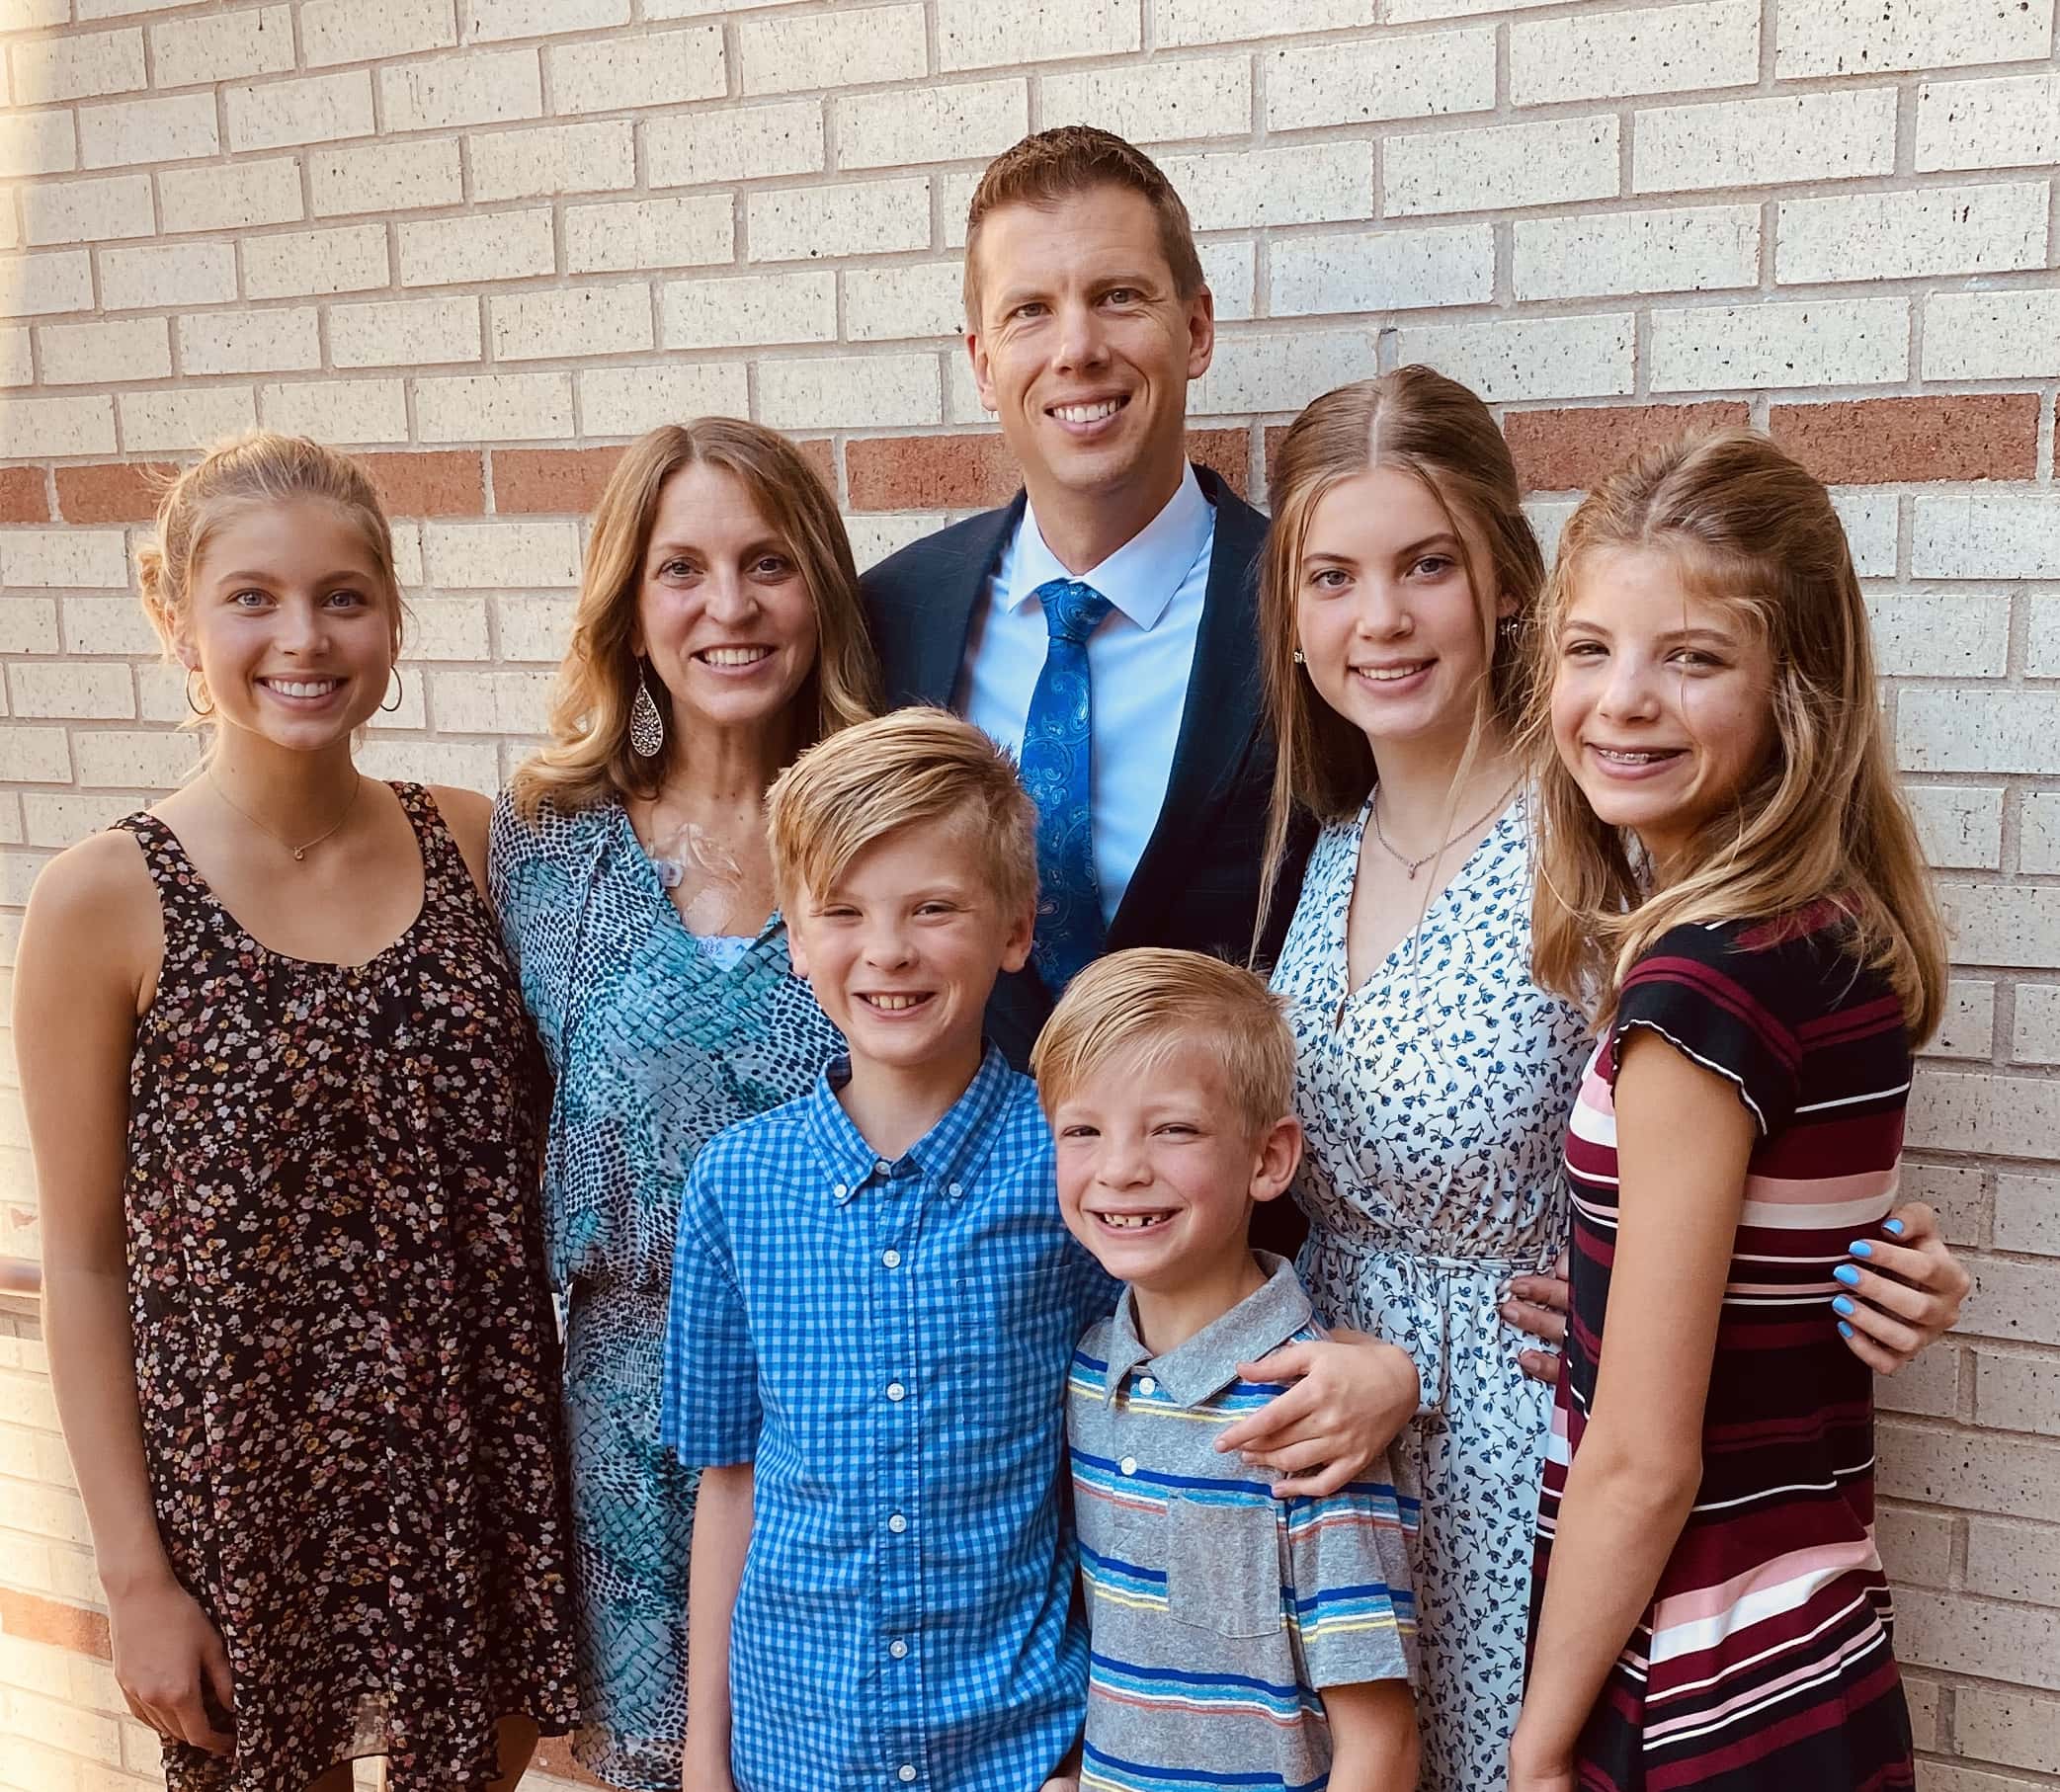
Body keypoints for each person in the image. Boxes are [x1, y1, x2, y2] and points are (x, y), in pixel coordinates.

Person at [1244, 373, 1971, 1792]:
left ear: (1507, 585)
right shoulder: (1319, 844)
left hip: (1530, 1470)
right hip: (1341, 1472)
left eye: (1428, 565)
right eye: (1332, 576)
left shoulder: (1614, 843)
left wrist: (1868, 1263)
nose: (1378, 618)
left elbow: (1735, 1152)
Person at [13, 433, 579, 1792]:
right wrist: (135, 1575)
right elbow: (84, 1264)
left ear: (390, 619)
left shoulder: (480, 848)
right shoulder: (102, 899)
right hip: (244, 1487)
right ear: (177, 619)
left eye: (342, 595)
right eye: (251, 598)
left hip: (469, 1463)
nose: (302, 638)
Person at [1514, 431, 1948, 1792]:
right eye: (1588, 650)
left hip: (1703, 1676)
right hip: (1810, 1636)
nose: (1623, 700)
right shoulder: (1827, 933)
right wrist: (1596, 1307)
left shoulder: (1704, 988)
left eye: (1691, 657)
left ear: (1794, 691)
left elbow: (1644, 1460)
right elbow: (1756, 1291)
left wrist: (1532, 1749)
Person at [489, 419, 879, 1789]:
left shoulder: (883, 833)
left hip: (841, 1406)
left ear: (820, 587)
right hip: (616, 1420)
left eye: (768, 562)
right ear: (630, 605)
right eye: (684, 569)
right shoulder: (541, 844)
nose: (729, 606)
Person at [663, 709, 1112, 1792]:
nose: (889, 950)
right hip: (797, 1744)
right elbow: (728, 1483)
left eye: (934, 908)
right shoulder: (736, 1183)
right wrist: (704, 1756)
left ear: (1015, 926)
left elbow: (1128, 1452)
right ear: (799, 938)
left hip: (1017, 1743)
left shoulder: (1075, 1166)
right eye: (846, 913)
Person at [861, 124, 1309, 1070]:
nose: (1076, 349)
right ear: (982, 362)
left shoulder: (1311, 611)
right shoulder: (889, 618)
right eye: (1030, 310)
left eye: (1117, 298)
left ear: (1194, 330)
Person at [1037, 947, 1420, 1792]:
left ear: (1267, 1159)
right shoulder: (1089, 1376)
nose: (1120, 1167)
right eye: (1082, 1130)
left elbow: (1379, 1747)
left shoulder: (1309, 1412)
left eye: (1172, 1128)